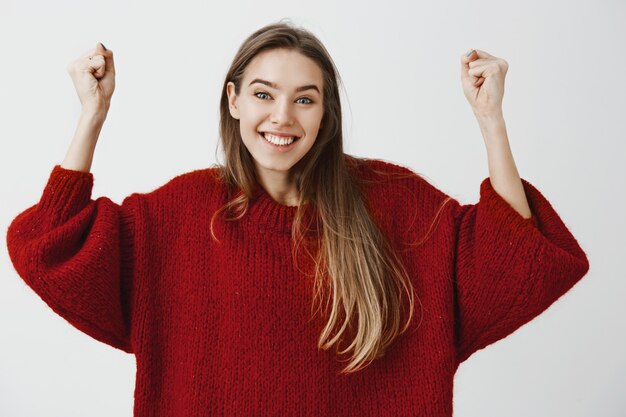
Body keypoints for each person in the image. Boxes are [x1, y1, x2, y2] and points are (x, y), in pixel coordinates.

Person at [6, 20, 589, 417]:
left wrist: (491, 121)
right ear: (233, 100)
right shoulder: (178, 216)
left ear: (324, 111)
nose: (281, 116)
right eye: (263, 94)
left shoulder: (393, 205)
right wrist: (92, 115)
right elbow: (51, 248)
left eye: (304, 98)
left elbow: (514, 261)